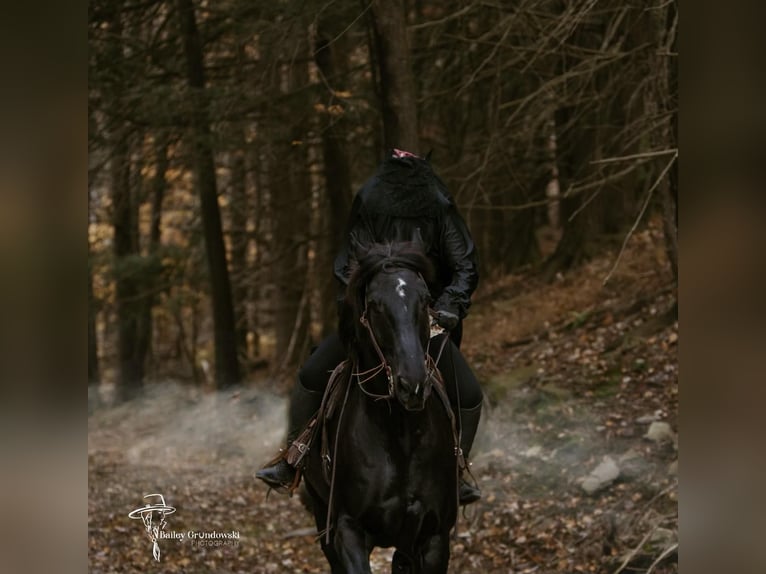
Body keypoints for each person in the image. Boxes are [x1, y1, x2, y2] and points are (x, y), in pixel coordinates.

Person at [256, 149, 484, 505]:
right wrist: (361, 312)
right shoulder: (371, 203)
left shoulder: (439, 208)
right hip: (373, 322)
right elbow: (348, 266)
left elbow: (464, 265)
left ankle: (455, 471)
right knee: (312, 375)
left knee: (468, 394)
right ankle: (294, 456)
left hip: (427, 323)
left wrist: (446, 308)